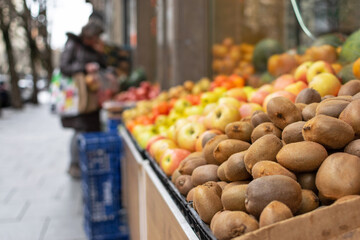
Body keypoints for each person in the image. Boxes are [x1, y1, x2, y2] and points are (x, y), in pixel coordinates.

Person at [60, 22, 106, 178]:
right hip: (78, 97)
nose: (96, 40)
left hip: (92, 97)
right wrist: (85, 67)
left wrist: (100, 54)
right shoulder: (73, 45)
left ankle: (90, 164)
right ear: (88, 36)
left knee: (92, 128)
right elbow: (64, 67)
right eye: (95, 37)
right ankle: (74, 165)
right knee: (79, 130)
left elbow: (104, 65)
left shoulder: (95, 47)